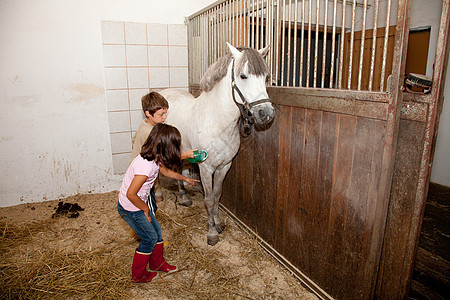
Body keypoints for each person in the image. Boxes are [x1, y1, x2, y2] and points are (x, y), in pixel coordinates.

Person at [118, 123, 200, 283]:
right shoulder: (146, 166)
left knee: (156, 232)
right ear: (166, 147)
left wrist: (185, 179)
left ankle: (157, 263)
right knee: (149, 238)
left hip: (138, 204)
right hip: (131, 208)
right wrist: (146, 210)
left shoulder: (154, 158)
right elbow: (131, 194)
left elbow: (165, 171)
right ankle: (138, 275)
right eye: (175, 145)